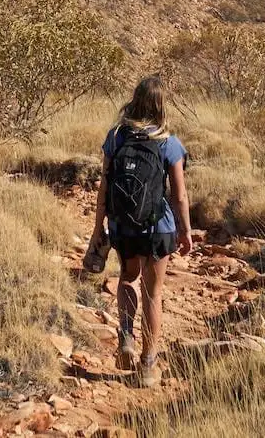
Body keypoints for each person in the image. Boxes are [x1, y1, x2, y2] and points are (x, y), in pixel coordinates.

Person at [89, 75, 192, 388]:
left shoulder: (117, 136)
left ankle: (125, 339)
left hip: (123, 225)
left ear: (134, 100)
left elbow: (105, 186)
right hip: (158, 228)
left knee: (127, 278)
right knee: (154, 292)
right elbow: (179, 195)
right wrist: (185, 231)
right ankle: (148, 364)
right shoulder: (169, 142)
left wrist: (98, 228)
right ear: (162, 105)